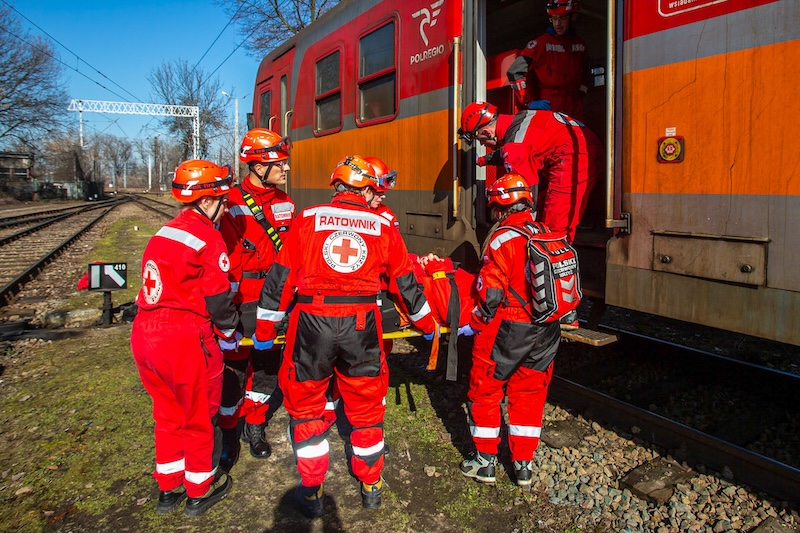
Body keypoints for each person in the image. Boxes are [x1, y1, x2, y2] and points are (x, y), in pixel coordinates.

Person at [252, 155, 439, 517]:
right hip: (360, 324)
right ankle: (370, 483)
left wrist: (263, 330)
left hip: (311, 323)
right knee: (366, 405)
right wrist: (428, 326)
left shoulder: (307, 218)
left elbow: (280, 279)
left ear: (337, 186)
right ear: (367, 188)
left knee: (306, 406)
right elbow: (405, 284)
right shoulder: (383, 225)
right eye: (375, 191)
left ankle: (311, 490)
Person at [130, 160, 238, 517]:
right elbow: (219, 297)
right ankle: (198, 490)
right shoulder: (207, 236)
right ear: (207, 201)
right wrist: (228, 334)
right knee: (197, 415)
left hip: (146, 333)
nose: (224, 207)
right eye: (221, 200)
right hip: (183, 338)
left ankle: (167, 488)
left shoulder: (166, 231)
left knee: (166, 412)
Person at [458, 173, 561, 489]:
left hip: (508, 327)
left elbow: (490, 294)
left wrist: (473, 324)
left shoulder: (503, 237)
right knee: (529, 394)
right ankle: (523, 466)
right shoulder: (546, 232)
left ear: (498, 205)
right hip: (546, 328)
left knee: (485, 389)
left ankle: (485, 461)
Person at [459, 101, 599, 329]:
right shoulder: (518, 120)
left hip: (574, 155)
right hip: (580, 144)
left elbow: (523, 198)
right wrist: (484, 160)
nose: (483, 144)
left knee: (553, 235)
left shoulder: (515, 145)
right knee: (548, 221)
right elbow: (520, 146)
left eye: (481, 140)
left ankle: (563, 310)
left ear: (486, 131)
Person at [217, 128, 295, 470]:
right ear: (258, 166)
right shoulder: (230, 205)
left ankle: (255, 424)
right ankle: (229, 430)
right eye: (280, 163)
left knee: (266, 365)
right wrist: (229, 305)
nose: (286, 169)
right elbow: (226, 262)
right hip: (242, 297)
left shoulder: (286, 204)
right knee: (234, 367)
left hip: (276, 298)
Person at [506, 0, 589, 121]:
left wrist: (581, 95)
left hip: (575, 105)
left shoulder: (580, 44)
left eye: (562, 18)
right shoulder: (542, 44)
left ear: (573, 17)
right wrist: (528, 102)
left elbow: (586, 73)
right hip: (550, 105)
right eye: (554, 18)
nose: (557, 23)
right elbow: (514, 72)